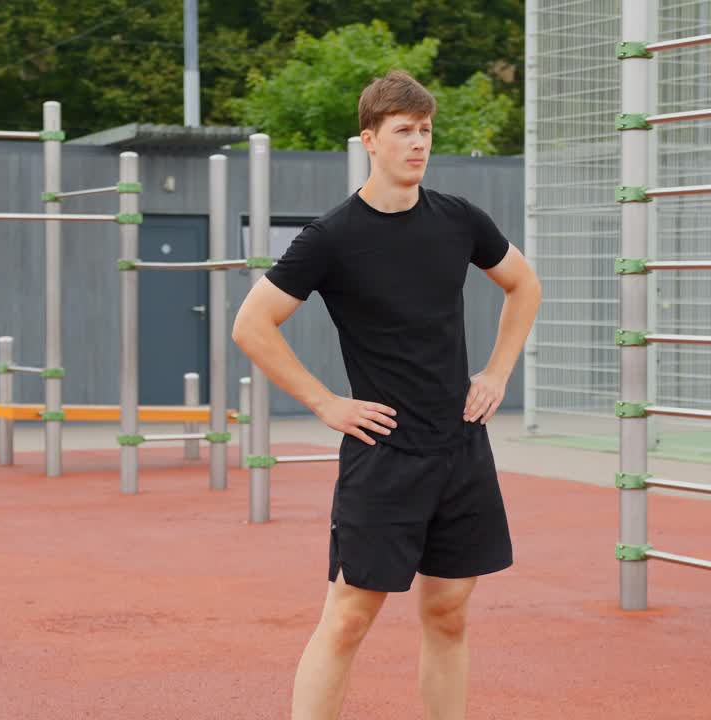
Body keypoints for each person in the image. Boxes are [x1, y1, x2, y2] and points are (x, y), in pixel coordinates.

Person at [231, 69, 542, 720]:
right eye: (404, 131)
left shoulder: (458, 221)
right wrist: (325, 403)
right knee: (348, 617)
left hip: (460, 448)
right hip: (385, 455)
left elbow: (524, 285)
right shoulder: (332, 237)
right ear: (369, 139)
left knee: (449, 612)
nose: (418, 143)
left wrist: (497, 373)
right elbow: (251, 325)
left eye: (426, 130)